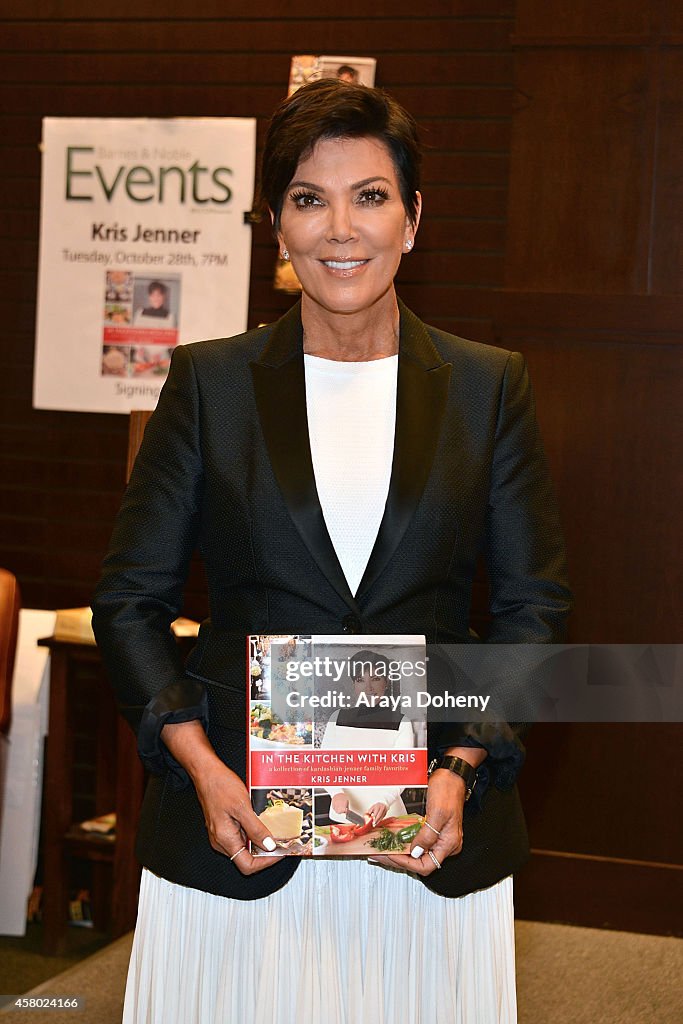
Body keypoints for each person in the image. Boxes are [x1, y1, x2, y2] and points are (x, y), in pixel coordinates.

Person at [92, 78, 572, 1023]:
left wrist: (465, 759)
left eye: (371, 196)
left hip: (430, 827)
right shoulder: (209, 383)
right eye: (310, 200)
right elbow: (129, 601)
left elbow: (534, 608)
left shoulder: (488, 387)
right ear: (277, 225)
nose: (340, 228)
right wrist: (198, 763)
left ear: (413, 216)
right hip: (237, 827)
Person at [320, 651, 417, 826]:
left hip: (387, 817)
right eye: (360, 680)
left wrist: (384, 801)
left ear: (386, 683)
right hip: (344, 818)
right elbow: (324, 764)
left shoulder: (402, 722)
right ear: (354, 685)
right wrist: (336, 793)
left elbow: (403, 771)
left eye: (375, 679)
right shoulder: (337, 717)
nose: (368, 687)